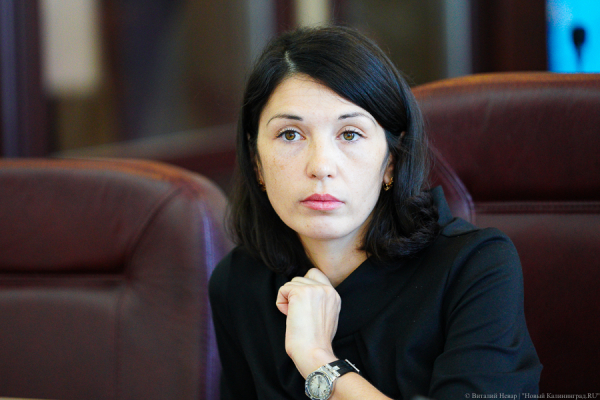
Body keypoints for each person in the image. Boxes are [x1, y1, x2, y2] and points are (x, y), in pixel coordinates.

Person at [208, 26, 542, 400]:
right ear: (256, 162)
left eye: (350, 134)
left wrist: (317, 359)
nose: (321, 166)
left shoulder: (475, 266)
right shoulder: (238, 282)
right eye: (290, 134)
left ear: (391, 161)